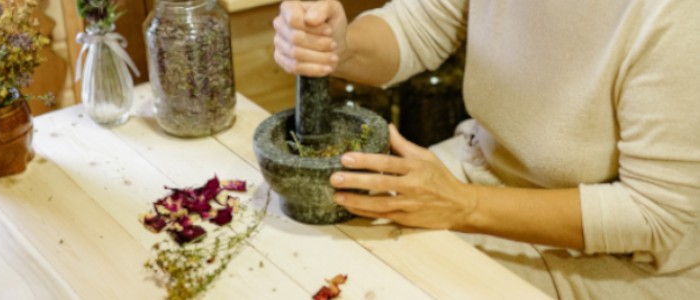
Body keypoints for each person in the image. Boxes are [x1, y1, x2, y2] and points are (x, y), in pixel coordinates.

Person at [272, 0, 700, 299]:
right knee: (320, 253)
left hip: (618, 257)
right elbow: (416, 26)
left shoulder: (677, 14)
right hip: (482, 174)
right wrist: (338, 46)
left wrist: (463, 205)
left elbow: (654, 216)